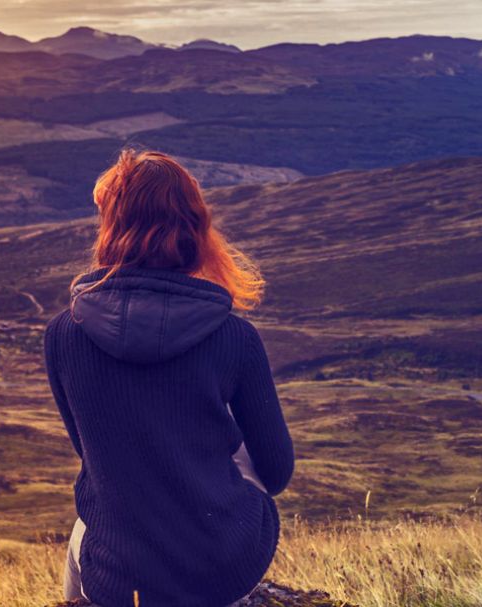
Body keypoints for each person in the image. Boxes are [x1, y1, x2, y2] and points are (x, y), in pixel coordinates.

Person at [44, 149, 295, 607]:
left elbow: (91, 453)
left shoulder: (63, 333)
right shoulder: (234, 336)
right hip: (222, 569)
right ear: (196, 228)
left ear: (111, 227)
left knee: (87, 524)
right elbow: (275, 472)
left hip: (118, 579)